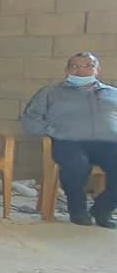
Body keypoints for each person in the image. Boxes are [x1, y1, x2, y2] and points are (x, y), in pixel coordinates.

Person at [21, 52, 117, 228]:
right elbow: (30, 119)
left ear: (97, 70)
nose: (80, 70)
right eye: (74, 66)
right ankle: (77, 209)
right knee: (76, 164)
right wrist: (53, 131)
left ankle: (103, 209)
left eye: (88, 66)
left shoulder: (112, 93)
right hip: (68, 142)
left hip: (108, 143)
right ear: (66, 71)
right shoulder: (51, 92)